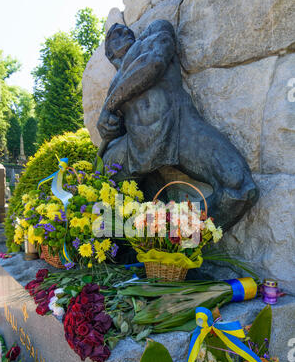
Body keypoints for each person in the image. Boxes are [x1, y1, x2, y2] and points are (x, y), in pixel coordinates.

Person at [97, 20, 259, 230]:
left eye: (125, 29)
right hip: (135, 149)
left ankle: (182, 235)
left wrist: (108, 107)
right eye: (115, 34)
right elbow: (117, 129)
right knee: (102, 183)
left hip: (181, 131)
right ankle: (151, 239)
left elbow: (154, 63)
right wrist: (106, 124)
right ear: (110, 54)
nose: (124, 31)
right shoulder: (113, 85)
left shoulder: (154, 31)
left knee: (240, 187)